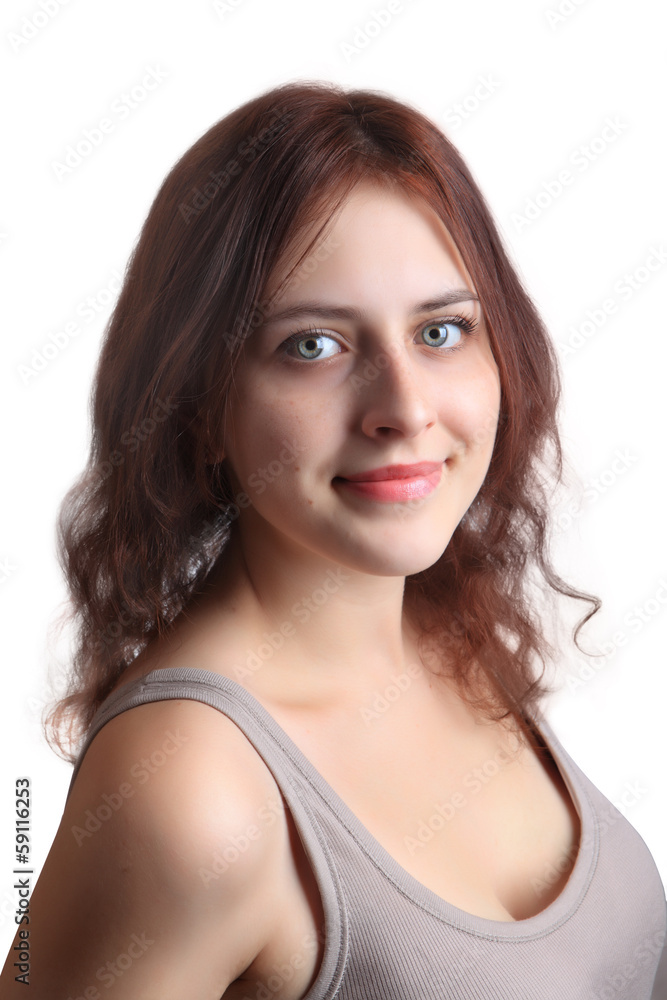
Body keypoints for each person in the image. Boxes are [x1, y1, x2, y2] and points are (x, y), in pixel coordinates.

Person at [1, 80, 665, 999]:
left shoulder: (448, 635)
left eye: (441, 331)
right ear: (195, 405)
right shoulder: (193, 790)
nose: (403, 408)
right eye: (313, 346)